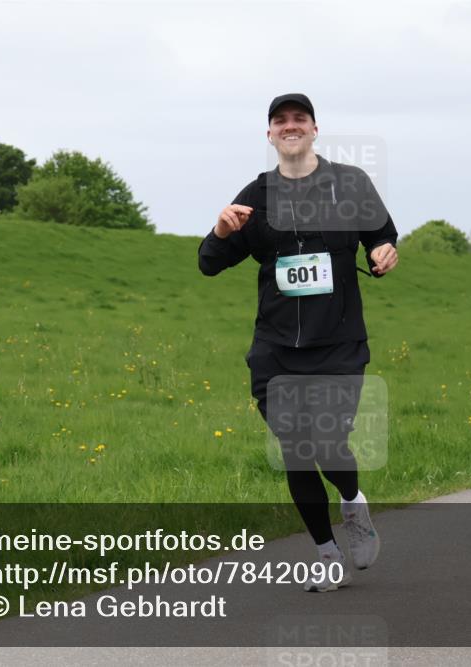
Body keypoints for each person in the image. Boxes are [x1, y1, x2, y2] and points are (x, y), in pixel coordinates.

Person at [198, 93, 398, 592]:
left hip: (338, 342)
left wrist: (382, 250)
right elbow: (209, 261)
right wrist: (222, 231)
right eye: (280, 121)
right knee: (294, 447)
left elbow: (382, 233)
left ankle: (352, 502)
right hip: (276, 347)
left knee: (327, 441)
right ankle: (326, 554)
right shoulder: (257, 194)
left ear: (314, 129)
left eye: (299, 119)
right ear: (269, 135)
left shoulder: (350, 183)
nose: (290, 126)